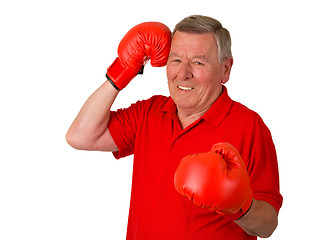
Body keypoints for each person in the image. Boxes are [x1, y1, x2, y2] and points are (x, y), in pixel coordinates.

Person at [66, 15, 283, 240]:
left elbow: (267, 226)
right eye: (176, 60)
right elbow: (80, 136)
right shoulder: (149, 112)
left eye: (198, 62)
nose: (183, 73)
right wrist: (123, 69)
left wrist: (240, 205)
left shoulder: (249, 126)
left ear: (225, 69)